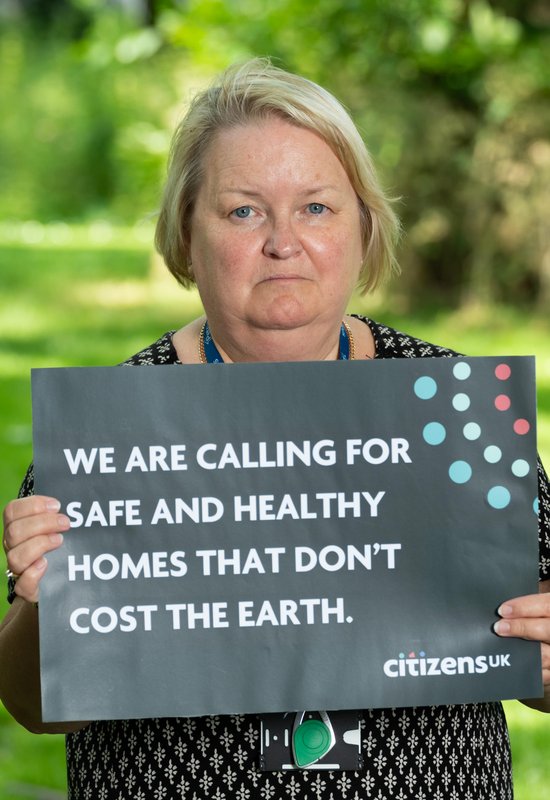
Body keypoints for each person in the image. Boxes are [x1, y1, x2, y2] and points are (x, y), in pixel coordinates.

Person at [1, 57, 549, 800]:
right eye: (243, 211)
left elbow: (536, 675)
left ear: (364, 227)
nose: (283, 243)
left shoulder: (450, 412)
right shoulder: (114, 431)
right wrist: (46, 607)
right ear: (186, 236)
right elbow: (34, 708)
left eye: (317, 208)